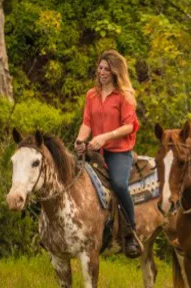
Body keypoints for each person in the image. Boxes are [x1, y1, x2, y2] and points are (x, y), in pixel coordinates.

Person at [74, 50, 143, 259]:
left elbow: (129, 126)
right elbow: (87, 122)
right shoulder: (91, 95)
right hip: (95, 150)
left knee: (119, 185)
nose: (102, 72)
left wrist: (104, 137)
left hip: (118, 152)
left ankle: (130, 232)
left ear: (115, 72)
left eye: (106, 69)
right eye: (100, 68)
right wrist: (80, 140)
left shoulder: (124, 96)